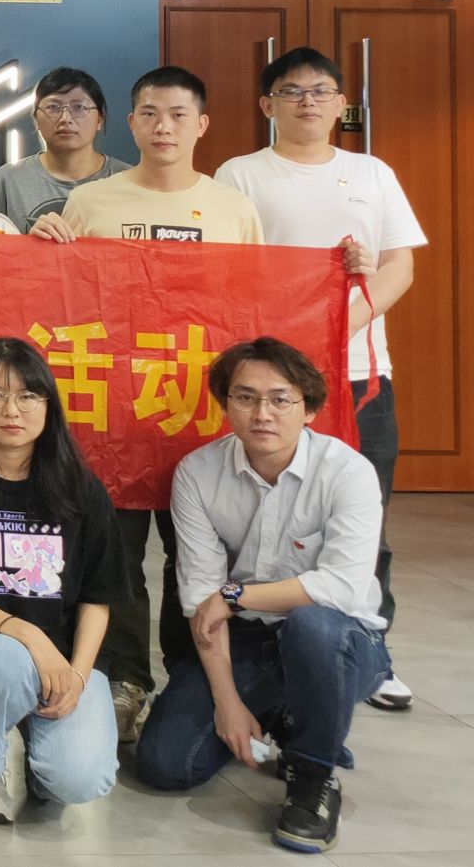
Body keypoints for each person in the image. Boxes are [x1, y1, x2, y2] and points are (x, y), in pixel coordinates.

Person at [37, 65, 263, 740]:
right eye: (150, 113)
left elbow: (257, 305)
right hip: (116, 412)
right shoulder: (90, 202)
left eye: (177, 114)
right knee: (117, 556)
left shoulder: (232, 208)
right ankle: (126, 678)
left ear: (202, 125)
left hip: (199, 410)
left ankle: (192, 677)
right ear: (131, 123)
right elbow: (57, 300)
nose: (163, 126)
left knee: (199, 555)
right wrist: (41, 246)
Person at [213, 47, 422, 712]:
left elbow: (399, 267)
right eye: (292, 90)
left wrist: (339, 326)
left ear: (340, 103)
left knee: (364, 516)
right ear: (267, 104)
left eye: (322, 90)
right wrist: (289, 349)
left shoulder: (372, 173)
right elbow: (227, 272)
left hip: (357, 375)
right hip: (265, 381)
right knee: (254, 515)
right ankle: (250, 641)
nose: (308, 101)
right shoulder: (240, 174)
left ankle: (371, 647)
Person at [134, 339, 392, 853]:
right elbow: (201, 600)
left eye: (280, 399)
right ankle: (285, 714)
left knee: (312, 625)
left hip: (341, 639)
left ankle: (313, 775)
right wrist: (227, 702)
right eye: (246, 397)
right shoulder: (198, 473)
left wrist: (235, 594)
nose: (262, 414)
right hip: (249, 638)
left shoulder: (348, 472)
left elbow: (341, 587)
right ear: (225, 404)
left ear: (309, 408)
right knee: (165, 764)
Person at [0, 337, 127, 824]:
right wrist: (28, 635)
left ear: (48, 404)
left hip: (63, 660)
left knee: (78, 781)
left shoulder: (81, 489)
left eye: (28, 395)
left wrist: (78, 676)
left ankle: (20, 736)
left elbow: (97, 598)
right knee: (5, 658)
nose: (11, 410)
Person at [0, 68, 129, 232]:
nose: (65, 118)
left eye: (79, 107)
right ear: (36, 119)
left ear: (100, 119)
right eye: (53, 107)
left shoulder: (129, 180)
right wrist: (30, 243)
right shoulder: (6, 181)